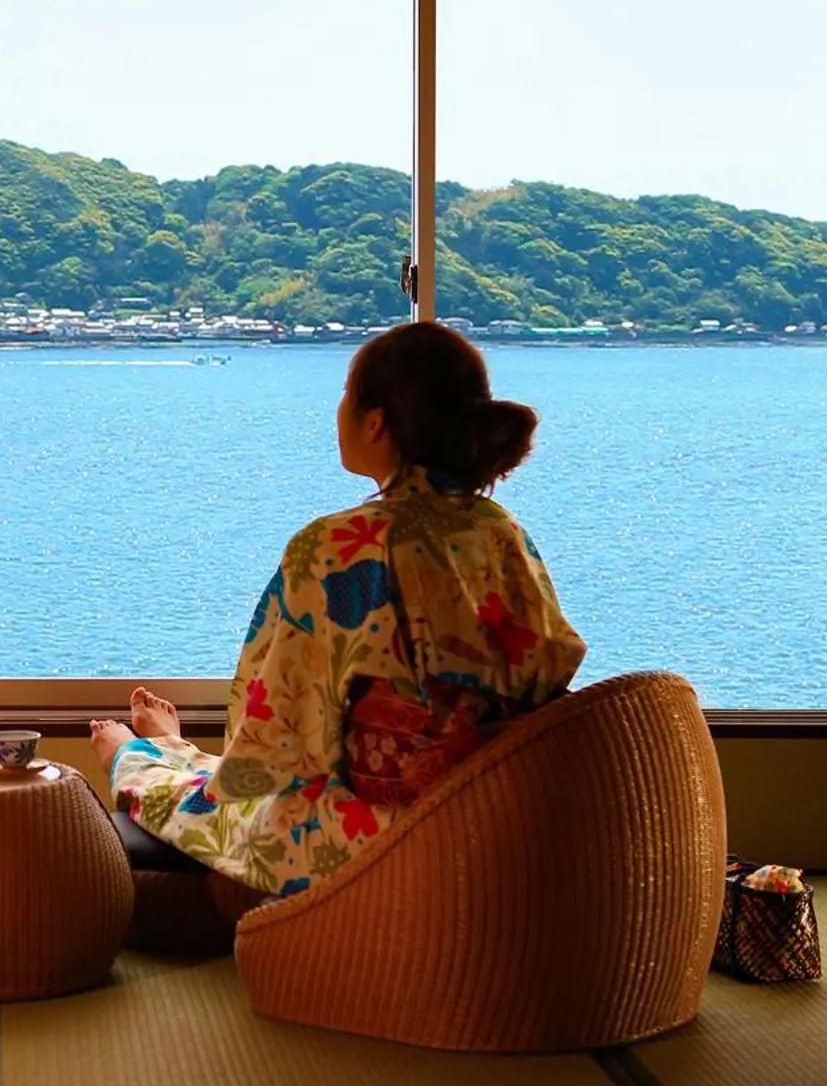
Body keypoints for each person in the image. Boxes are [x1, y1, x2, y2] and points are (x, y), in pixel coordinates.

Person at [91, 321, 586, 897]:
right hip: (493, 815)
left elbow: (272, 742)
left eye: (347, 394)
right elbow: (548, 672)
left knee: (201, 799)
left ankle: (141, 756)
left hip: (373, 839)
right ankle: (171, 750)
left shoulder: (338, 547)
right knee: (237, 778)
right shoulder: (503, 533)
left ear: (375, 421)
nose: (339, 408)